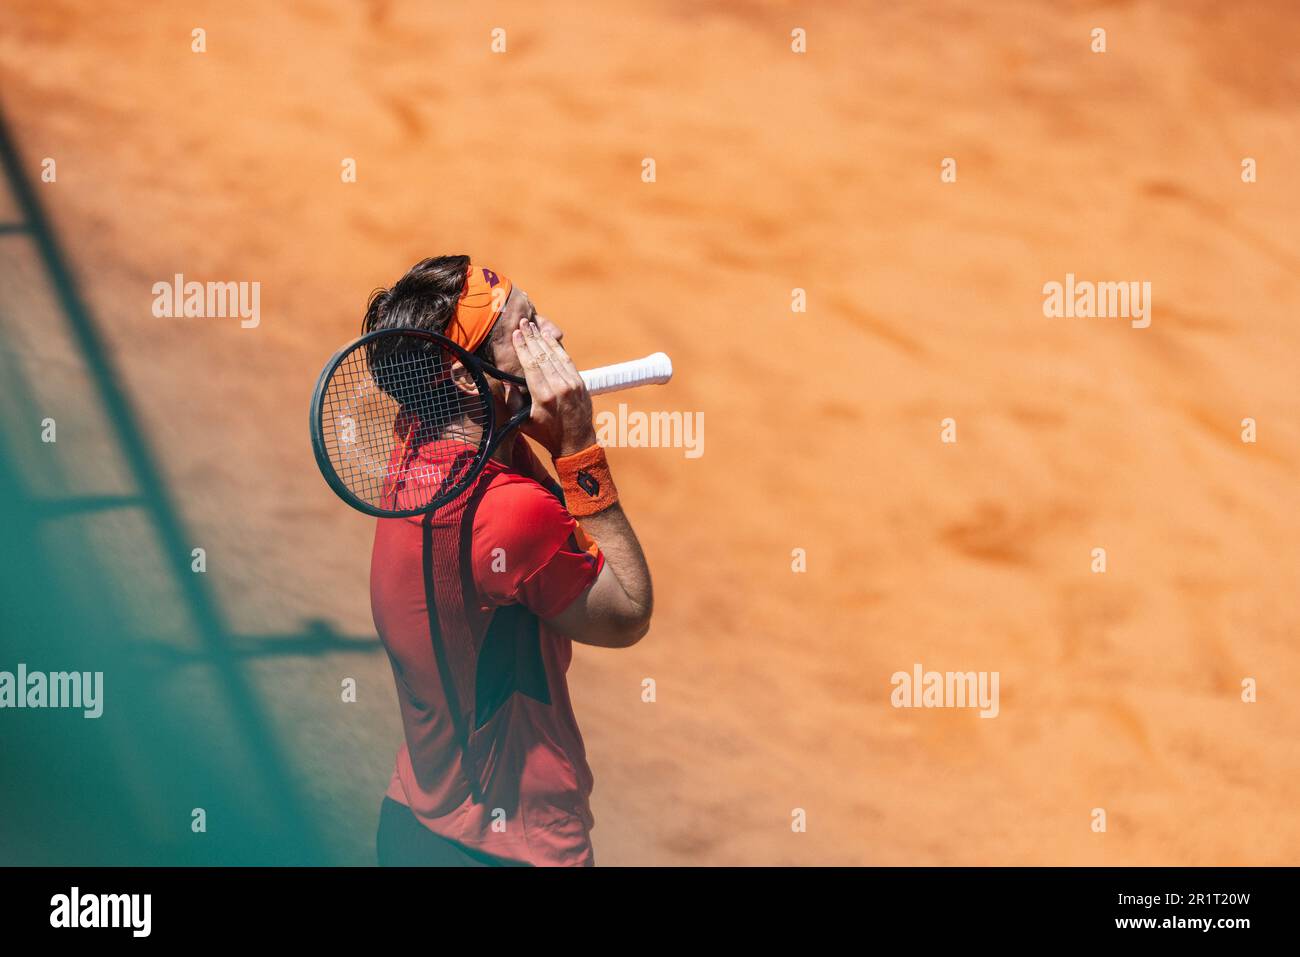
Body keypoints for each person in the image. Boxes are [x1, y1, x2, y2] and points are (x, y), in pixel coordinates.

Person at [366, 255, 653, 866]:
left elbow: (486, 439)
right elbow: (628, 613)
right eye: (527, 328)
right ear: (467, 378)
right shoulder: (511, 514)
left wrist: (515, 406)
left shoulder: (415, 440)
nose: (555, 333)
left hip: (412, 830)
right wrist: (578, 450)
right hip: (514, 848)